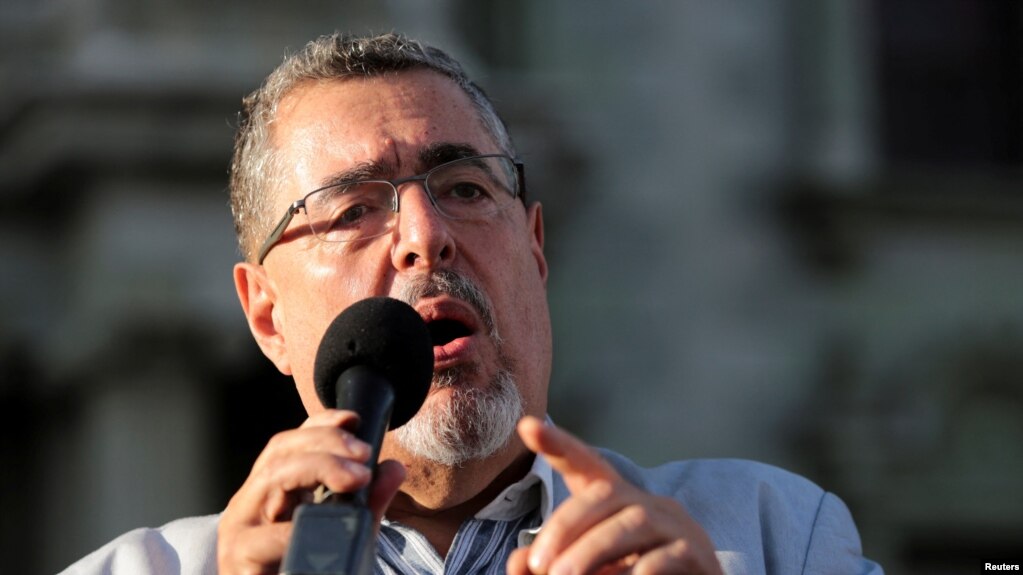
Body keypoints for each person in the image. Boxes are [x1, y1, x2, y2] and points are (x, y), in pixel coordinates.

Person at [62, 32, 882, 575]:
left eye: (463, 187)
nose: (425, 235)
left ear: (533, 248)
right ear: (267, 314)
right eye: (353, 210)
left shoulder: (774, 534)